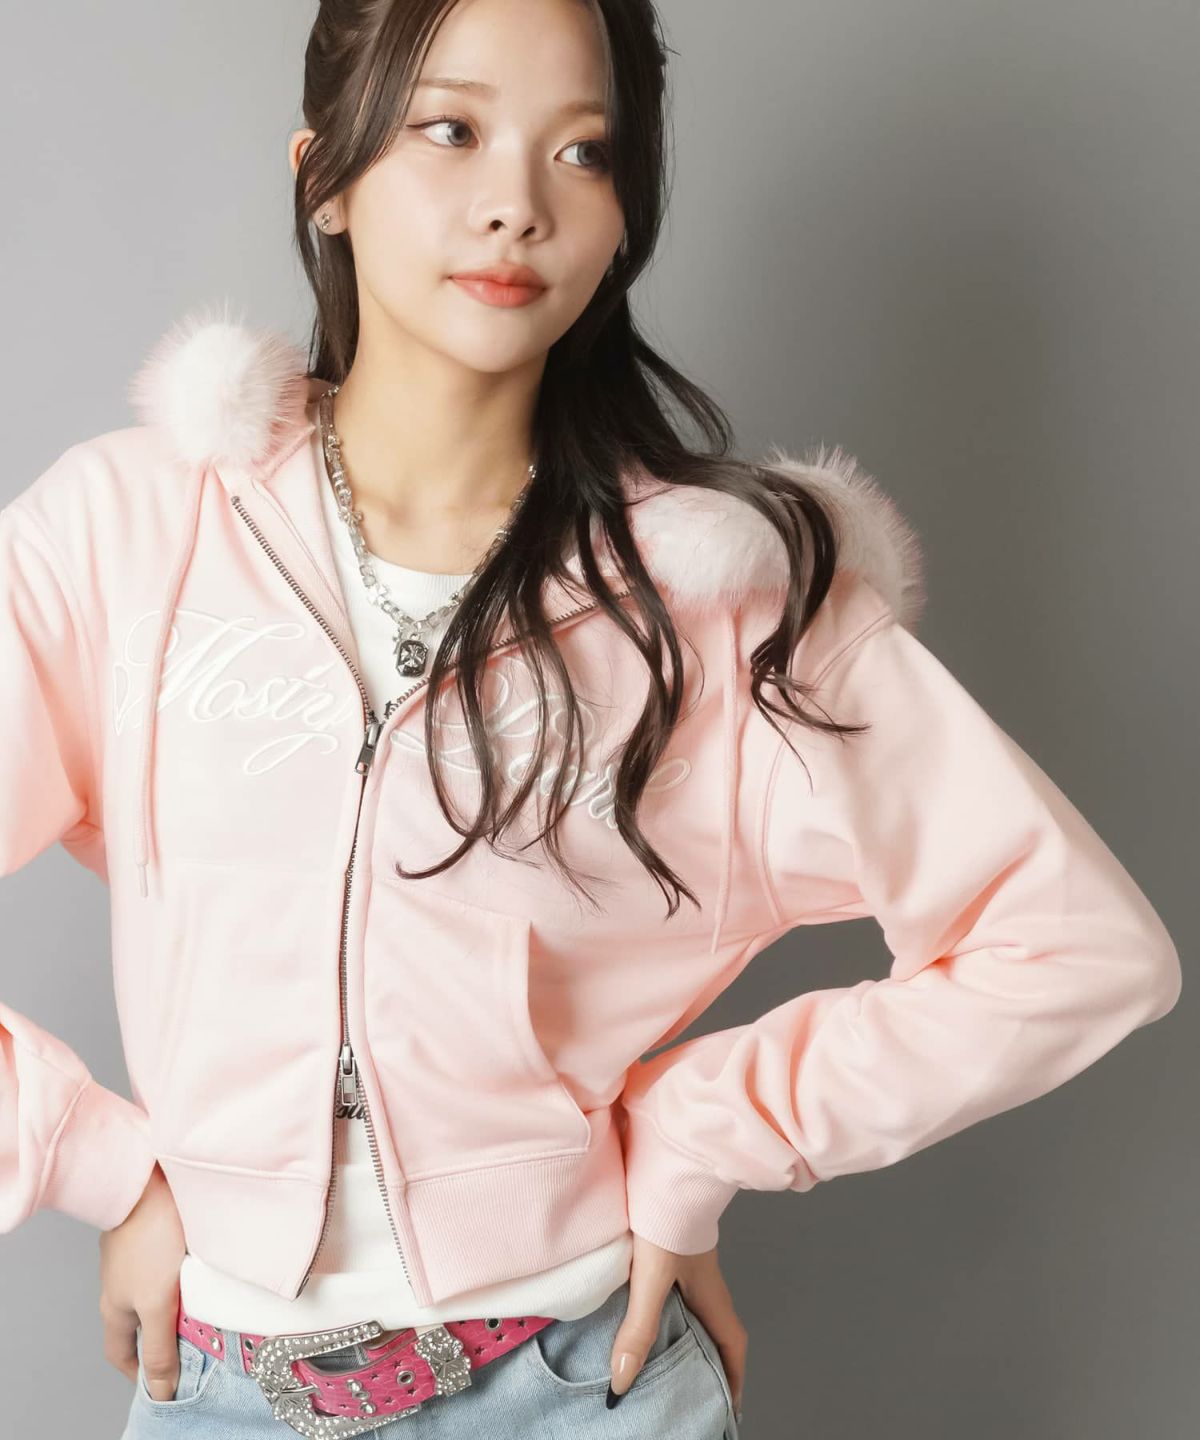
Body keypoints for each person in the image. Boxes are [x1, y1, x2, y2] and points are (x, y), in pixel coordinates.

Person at [0, 0, 1181, 1435]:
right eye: (451, 129)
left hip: (577, 1386)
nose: (517, 203)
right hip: (220, 1392)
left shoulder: (712, 599)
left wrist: (703, 1132)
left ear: (624, 219)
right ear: (327, 175)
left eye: (583, 152)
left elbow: (1073, 948)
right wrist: (94, 1162)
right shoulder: (129, 536)